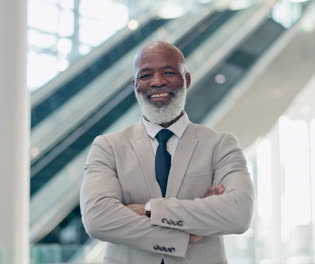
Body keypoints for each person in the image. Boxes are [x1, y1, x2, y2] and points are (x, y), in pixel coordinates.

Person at [80, 41, 254, 264]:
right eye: (145, 76)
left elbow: (238, 213)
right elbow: (98, 219)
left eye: (169, 72)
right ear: (135, 85)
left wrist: (150, 209)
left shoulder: (221, 145)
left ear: (187, 80)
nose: (157, 82)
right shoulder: (107, 147)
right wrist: (185, 237)